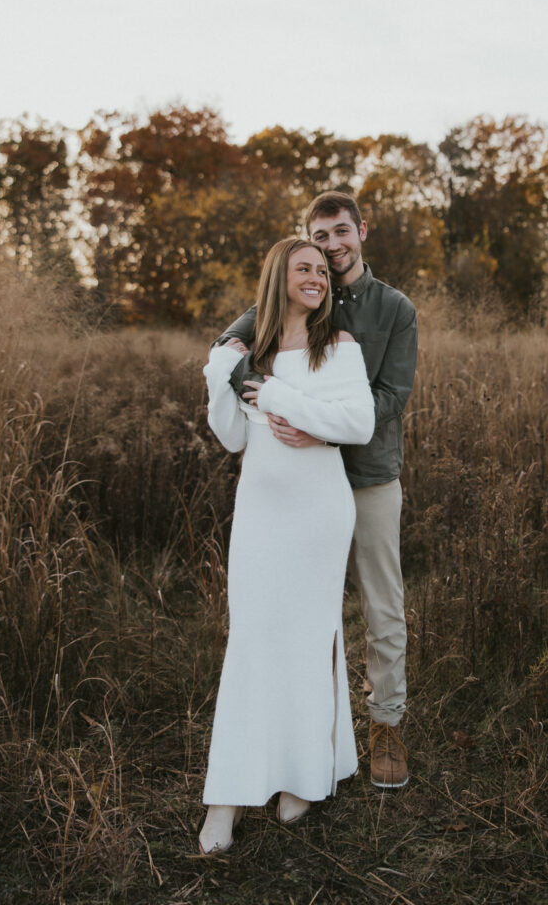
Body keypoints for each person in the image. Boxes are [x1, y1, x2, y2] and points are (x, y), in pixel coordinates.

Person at [215, 191, 417, 789]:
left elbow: (389, 399)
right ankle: (308, 734)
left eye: (339, 233)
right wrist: (232, 358)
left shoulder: (394, 308)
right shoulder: (302, 288)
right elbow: (235, 343)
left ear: (360, 232)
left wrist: (313, 424)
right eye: (319, 237)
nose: (330, 248)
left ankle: (386, 726)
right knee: (303, 608)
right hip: (300, 485)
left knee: (381, 602)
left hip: (369, 475)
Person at [198, 237, 374, 854]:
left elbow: (358, 422)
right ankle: (229, 796)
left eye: (322, 272)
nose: (317, 279)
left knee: (308, 636)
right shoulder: (251, 351)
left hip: (320, 511)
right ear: (277, 276)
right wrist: (221, 372)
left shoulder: (339, 347)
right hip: (261, 512)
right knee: (252, 637)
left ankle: (303, 773)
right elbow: (230, 439)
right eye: (305, 269)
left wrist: (277, 395)